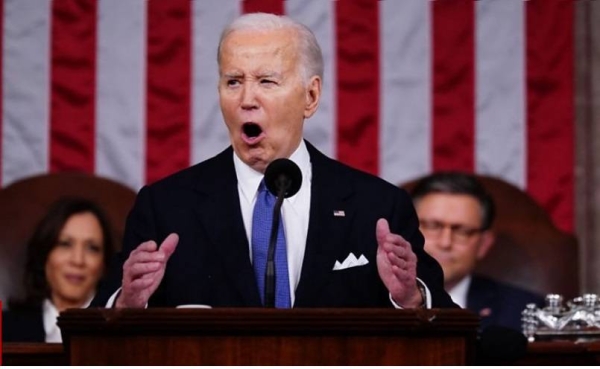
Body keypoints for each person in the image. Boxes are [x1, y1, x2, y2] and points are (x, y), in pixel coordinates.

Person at [91, 12, 455, 310]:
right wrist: (127, 303)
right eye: (233, 82)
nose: (247, 98)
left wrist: (410, 298)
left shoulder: (376, 206)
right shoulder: (166, 206)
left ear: (310, 96)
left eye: (266, 81)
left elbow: (447, 325)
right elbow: (98, 324)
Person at [409, 171, 545, 331]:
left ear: (484, 244)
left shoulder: (523, 312)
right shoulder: (374, 301)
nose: (445, 242)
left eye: (462, 231)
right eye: (433, 226)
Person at [2, 197, 116, 342]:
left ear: (104, 265)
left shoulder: (120, 335)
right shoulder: (5, 329)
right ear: (44, 255)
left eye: (91, 248)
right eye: (65, 244)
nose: (78, 260)